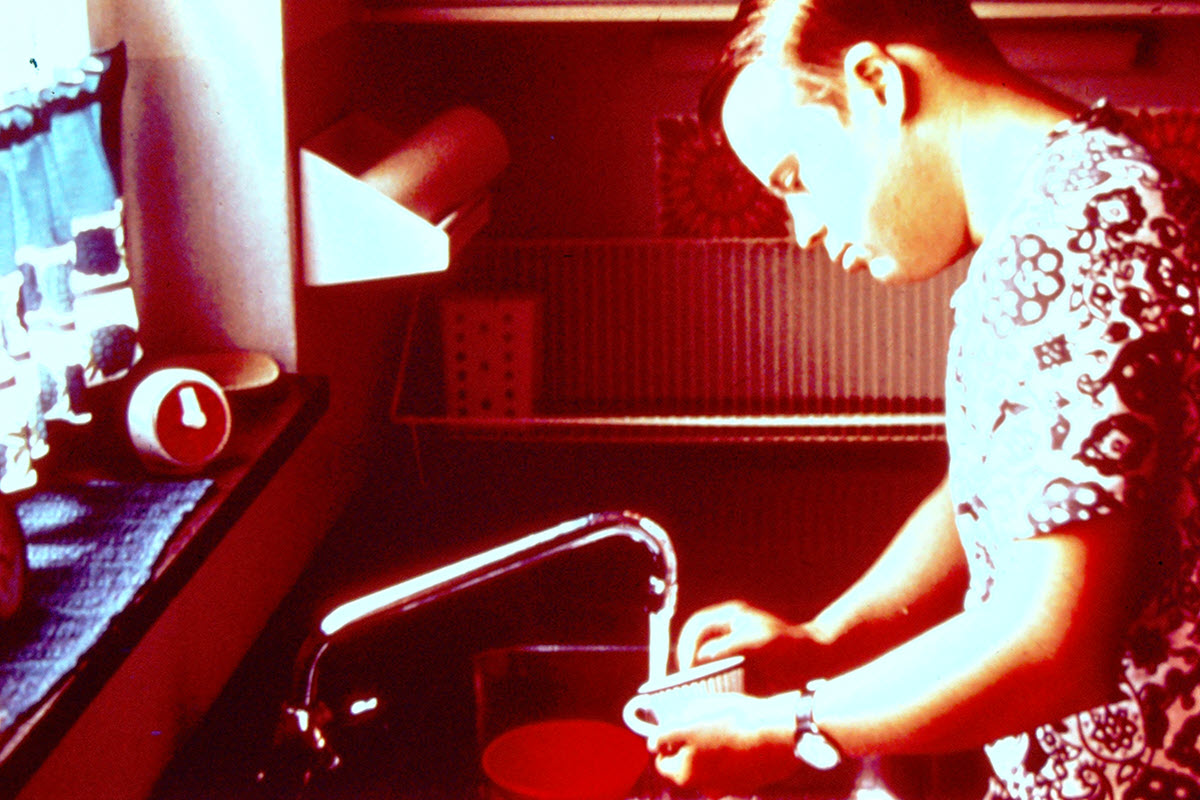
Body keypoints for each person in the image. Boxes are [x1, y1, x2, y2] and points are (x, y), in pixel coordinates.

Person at [646, 1, 1200, 798]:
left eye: (796, 179)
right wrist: (828, 637)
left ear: (876, 84)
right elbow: (1015, 485)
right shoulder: (1063, 208)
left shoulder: (1078, 241)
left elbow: (1049, 649)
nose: (800, 227)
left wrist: (793, 726)